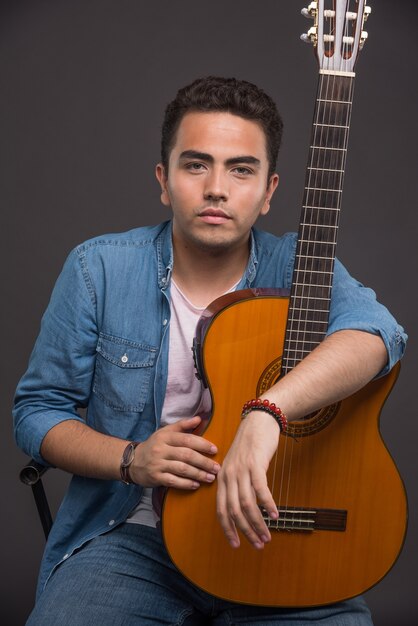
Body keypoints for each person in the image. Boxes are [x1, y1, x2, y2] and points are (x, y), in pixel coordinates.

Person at [14, 76, 406, 625]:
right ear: (164, 180)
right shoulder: (98, 269)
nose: (216, 188)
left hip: (288, 541)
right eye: (196, 165)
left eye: (241, 169)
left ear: (269, 191)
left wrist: (267, 414)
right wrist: (131, 460)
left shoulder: (303, 267)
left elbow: (379, 337)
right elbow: (37, 412)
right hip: (134, 542)